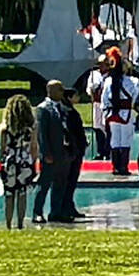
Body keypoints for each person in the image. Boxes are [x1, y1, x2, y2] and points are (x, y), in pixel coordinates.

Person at [36, 83, 86, 223]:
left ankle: (56, 212)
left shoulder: (63, 108)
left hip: (64, 153)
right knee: (44, 184)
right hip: (51, 153)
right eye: (60, 89)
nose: (62, 92)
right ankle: (37, 212)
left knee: (60, 184)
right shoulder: (43, 109)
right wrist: (46, 153)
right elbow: (41, 133)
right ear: (51, 90)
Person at [88, 49, 139, 177]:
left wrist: (106, 113)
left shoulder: (108, 81)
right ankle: (123, 166)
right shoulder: (133, 81)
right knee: (126, 140)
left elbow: (104, 99)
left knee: (115, 140)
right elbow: (136, 97)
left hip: (112, 114)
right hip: (127, 113)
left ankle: (116, 166)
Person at [0, 78, 39, 226]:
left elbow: (2, 148)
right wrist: (34, 162)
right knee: (22, 194)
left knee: (9, 195)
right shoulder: (31, 127)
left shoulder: (5, 128)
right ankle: (20, 223)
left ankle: (8, 224)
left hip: (10, 162)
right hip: (25, 161)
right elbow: (34, 147)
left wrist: (1, 163)